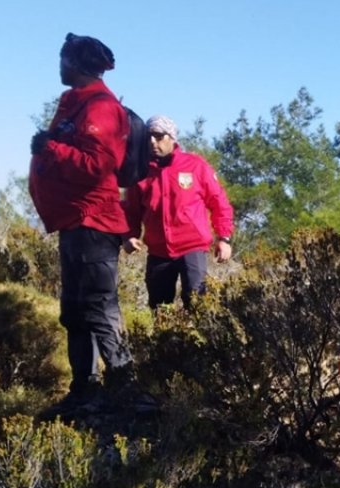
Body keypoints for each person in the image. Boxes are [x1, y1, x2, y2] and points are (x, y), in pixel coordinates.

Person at [29, 33, 149, 420]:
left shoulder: (99, 107)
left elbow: (99, 167)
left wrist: (50, 149)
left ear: (76, 64)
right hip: (74, 222)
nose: (58, 65)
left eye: (63, 59)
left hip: (94, 222)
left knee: (98, 305)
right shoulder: (74, 102)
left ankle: (125, 386)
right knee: (75, 309)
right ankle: (84, 388)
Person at [123, 115, 235, 308]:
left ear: (171, 138)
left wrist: (223, 238)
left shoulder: (195, 165)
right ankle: (165, 340)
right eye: (148, 137)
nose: (152, 142)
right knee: (159, 310)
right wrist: (129, 236)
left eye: (158, 136)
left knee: (198, 304)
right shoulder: (141, 172)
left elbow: (219, 202)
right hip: (158, 251)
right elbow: (130, 210)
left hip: (192, 248)